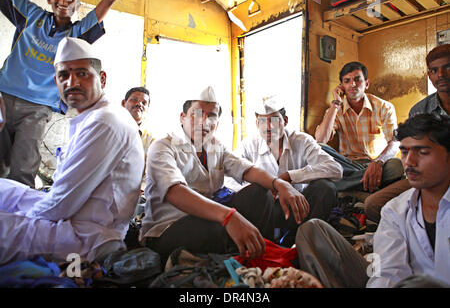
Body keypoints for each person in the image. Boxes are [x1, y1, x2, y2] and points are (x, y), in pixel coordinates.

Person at [0, 37, 144, 265]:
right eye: (63, 75)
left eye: (82, 73)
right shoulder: (93, 116)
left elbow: (61, 205)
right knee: (5, 188)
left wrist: (19, 219)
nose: (71, 82)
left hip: (87, 235)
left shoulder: (104, 122)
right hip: (74, 215)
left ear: (102, 79)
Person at [140, 86, 309, 264]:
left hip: (207, 219)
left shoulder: (215, 147)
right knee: (221, 228)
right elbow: (175, 192)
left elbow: (247, 169)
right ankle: (247, 259)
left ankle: (262, 255)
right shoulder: (163, 146)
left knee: (261, 192)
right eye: (196, 114)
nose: (204, 122)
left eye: (211, 116)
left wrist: (280, 184)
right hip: (167, 229)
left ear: (217, 123)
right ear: (182, 118)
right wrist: (228, 216)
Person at [295, 113, 450, 288]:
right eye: (405, 152)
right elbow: (388, 273)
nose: (409, 162)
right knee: (312, 229)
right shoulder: (395, 211)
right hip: (355, 168)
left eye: (422, 152)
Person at [0, 0, 122, 188]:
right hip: (3, 97)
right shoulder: (31, 15)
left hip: (38, 109)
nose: (63, 1)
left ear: (78, 5)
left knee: (23, 169)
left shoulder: (76, 35)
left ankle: (16, 215)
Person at [364, 44, 450, 222]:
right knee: (373, 205)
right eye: (434, 70)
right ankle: (414, 236)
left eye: (447, 67)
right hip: (427, 178)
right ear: (429, 75)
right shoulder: (420, 110)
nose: (441, 75)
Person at [234, 95, 342, 223]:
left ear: (285, 121)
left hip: (298, 207)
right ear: (257, 124)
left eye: (274, 120)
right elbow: (229, 179)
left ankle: (305, 236)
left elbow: (335, 169)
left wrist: (289, 176)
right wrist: (266, 187)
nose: (268, 127)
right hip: (265, 210)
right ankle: (267, 242)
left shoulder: (302, 141)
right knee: (259, 193)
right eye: (262, 121)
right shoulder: (248, 145)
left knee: (326, 187)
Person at [315, 61, 404, 194]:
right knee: (318, 148)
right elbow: (320, 139)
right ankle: (368, 182)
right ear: (342, 86)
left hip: (375, 164)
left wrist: (378, 162)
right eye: (347, 81)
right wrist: (336, 104)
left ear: (366, 84)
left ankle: (347, 184)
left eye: (357, 80)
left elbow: (395, 142)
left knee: (397, 165)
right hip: (346, 164)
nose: (353, 84)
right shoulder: (335, 109)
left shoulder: (384, 107)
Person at [121, 86, 153, 195]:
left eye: (144, 103)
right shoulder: (109, 131)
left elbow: (151, 173)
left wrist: (141, 190)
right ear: (123, 103)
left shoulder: (152, 140)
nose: (139, 104)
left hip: (135, 195)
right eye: (134, 100)